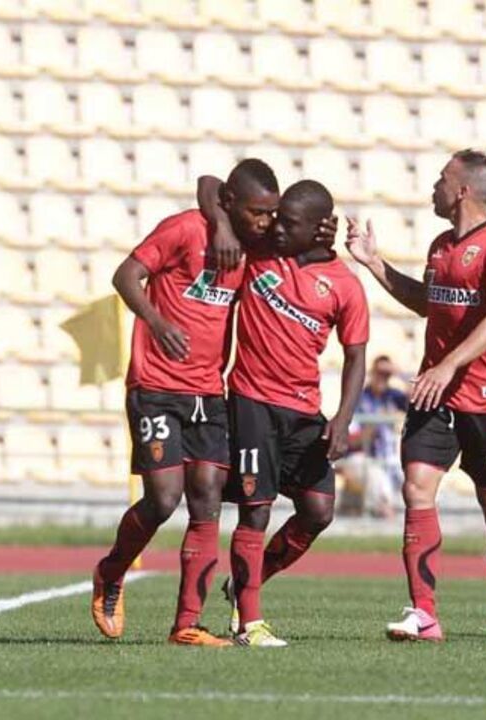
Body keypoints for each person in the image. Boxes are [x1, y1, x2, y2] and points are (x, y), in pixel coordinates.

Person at [91, 159, 279, 647]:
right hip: (155, 385)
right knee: (163, 498)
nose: (264, 223)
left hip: (207, 391)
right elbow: (125, 275)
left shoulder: (251, 245)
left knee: (208, 499)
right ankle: (111, 572)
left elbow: (214, 186)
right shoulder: (183, 229)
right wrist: (155, 322)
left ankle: (187, 624)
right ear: (231, 206)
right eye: (256, 213)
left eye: (269, 215)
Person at [346, 149, 486, 645]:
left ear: (464, 189)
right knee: (415, 489)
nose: (434, 185)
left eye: (442, 178)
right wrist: (373, 263)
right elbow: (426, 303)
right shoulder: (441, 246)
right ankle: (424, 614)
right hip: (434, 394)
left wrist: (450, 365)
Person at [200, 179, 369, 647]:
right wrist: (221, 225)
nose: (275, 229)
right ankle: (247, 622)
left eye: (288, 223)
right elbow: (210, 185)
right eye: (275, 219)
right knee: (256, 511)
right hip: (252, 402)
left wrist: (343, 417)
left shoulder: (345, 286)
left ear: (319, 230)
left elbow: (356, 357)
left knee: (319, 510)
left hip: (302, 410)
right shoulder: (258, 252)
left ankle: (245, 585)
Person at [338, 355, 408, 518]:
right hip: (360, 458)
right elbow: (350, 441)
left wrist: (400, 373)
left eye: (387, 374)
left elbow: (418, 399)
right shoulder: (358, 399)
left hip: (389, 458)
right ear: (372, 372)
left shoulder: (393, 396)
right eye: (380, 373)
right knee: (373, 472)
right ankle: (385, 514)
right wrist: (376, 422)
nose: (383, 378)